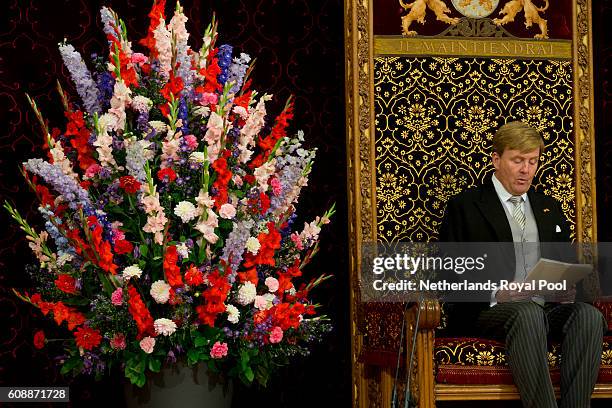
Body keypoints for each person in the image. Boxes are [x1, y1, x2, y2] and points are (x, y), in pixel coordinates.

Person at [439, 121, 606, 408]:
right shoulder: (465, 206)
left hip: (545, 308)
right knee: (527, 313)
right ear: (496, 159)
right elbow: (450, 275)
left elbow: (564, 264)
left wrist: (567, 291)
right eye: (518, 160)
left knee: (588, 316)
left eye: (533, 161)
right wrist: (498, 294)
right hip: (486, 311)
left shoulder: (548, 207)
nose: (526, 170)